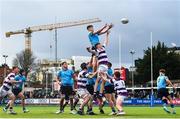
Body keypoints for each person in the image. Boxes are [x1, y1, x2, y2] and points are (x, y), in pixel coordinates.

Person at [88, 31, 110, 98]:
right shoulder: (97, 51)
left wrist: (107, 35)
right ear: (97, 46)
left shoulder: (103, 48)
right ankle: (95, 92)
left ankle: (100, 93)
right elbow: (92, 51)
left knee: (104, 80)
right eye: (99, 45)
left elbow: (106, 42)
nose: (100, 45)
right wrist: (89, 50)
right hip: (101, 66)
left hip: (106, 66)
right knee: (98, 79)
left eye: (100, 44)